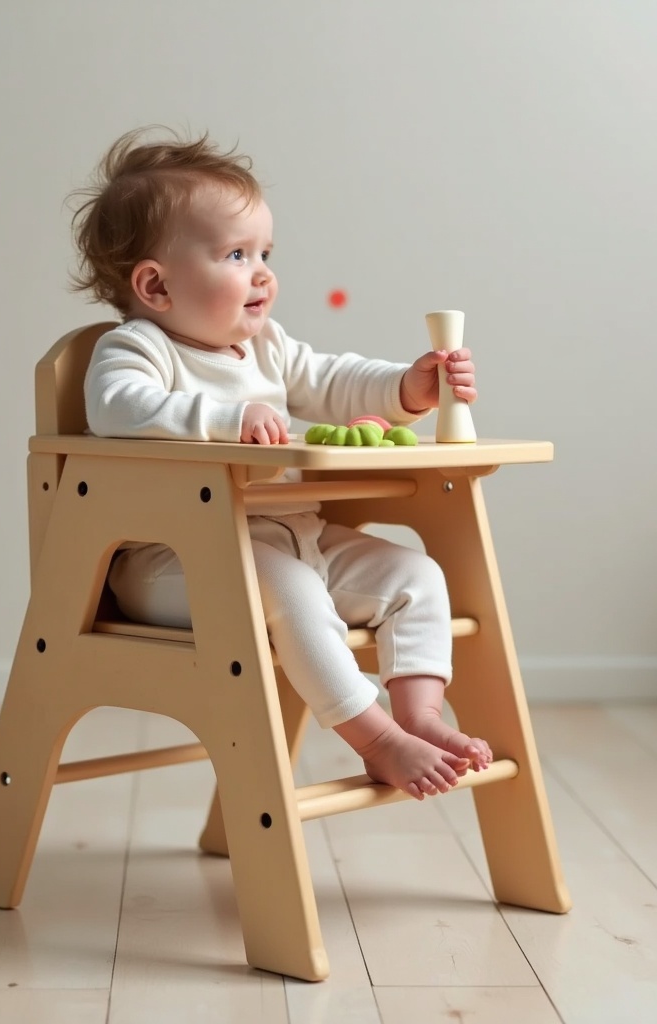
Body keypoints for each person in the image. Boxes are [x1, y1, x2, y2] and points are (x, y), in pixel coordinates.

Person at [70, 127, 492, 800]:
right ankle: (377, 738)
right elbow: (119, 409)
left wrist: (408, 388)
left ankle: (420, 717)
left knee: (417, 574)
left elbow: (336, 379)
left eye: (265, 251)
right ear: (155, 285)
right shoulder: (137, 349)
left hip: (291, 539)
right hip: (174, 560)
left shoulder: (267, 346)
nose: (262, 271)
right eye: (236, 254)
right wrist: (224, 422)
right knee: (291, 593)